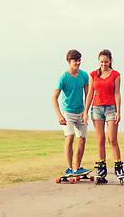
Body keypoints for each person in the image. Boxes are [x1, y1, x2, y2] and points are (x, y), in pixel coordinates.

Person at [83, 49, 124, 183]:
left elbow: (117, 93)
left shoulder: (116, 75)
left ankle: (118, 166)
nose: (104, 64)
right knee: (100, 139)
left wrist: (118, 111)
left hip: (111, 108)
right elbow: (89, 94)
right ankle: (101, 167)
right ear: (98, 61)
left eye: (106, 62)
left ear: (110, 61)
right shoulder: (93, 75)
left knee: (112, 139)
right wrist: (85, 112)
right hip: (97, 109)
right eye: (101, 62)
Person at [52, 49, 90, 177]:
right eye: (75, 61)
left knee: (82, 140)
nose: (78, 63)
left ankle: (77, 168)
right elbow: (54, 98)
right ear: (69, 61)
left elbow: (88, 94)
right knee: (70, 137)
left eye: (79, 60)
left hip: (81, 112)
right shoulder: (63, 78)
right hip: (67, 112)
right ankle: (69, 169)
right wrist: (59, 115)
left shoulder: (84, 75)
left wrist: (86, 111)